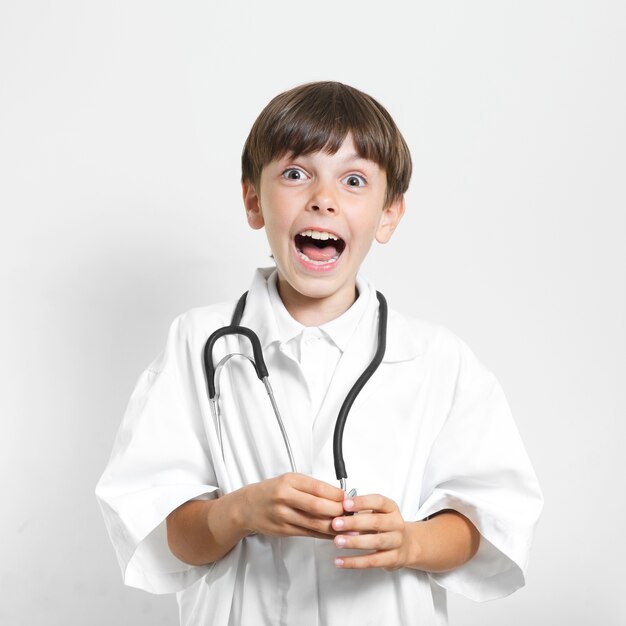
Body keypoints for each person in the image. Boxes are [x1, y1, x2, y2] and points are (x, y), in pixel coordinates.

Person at [96, 81, 543, 625]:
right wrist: (239, 512)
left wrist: (408, 542)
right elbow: (166, 530)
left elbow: (486, 522)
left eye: (353, 180)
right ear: (253, 200)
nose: (323, 198)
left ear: (389, 215)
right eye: (295, 173)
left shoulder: (436, 360)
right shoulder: (198, 343)